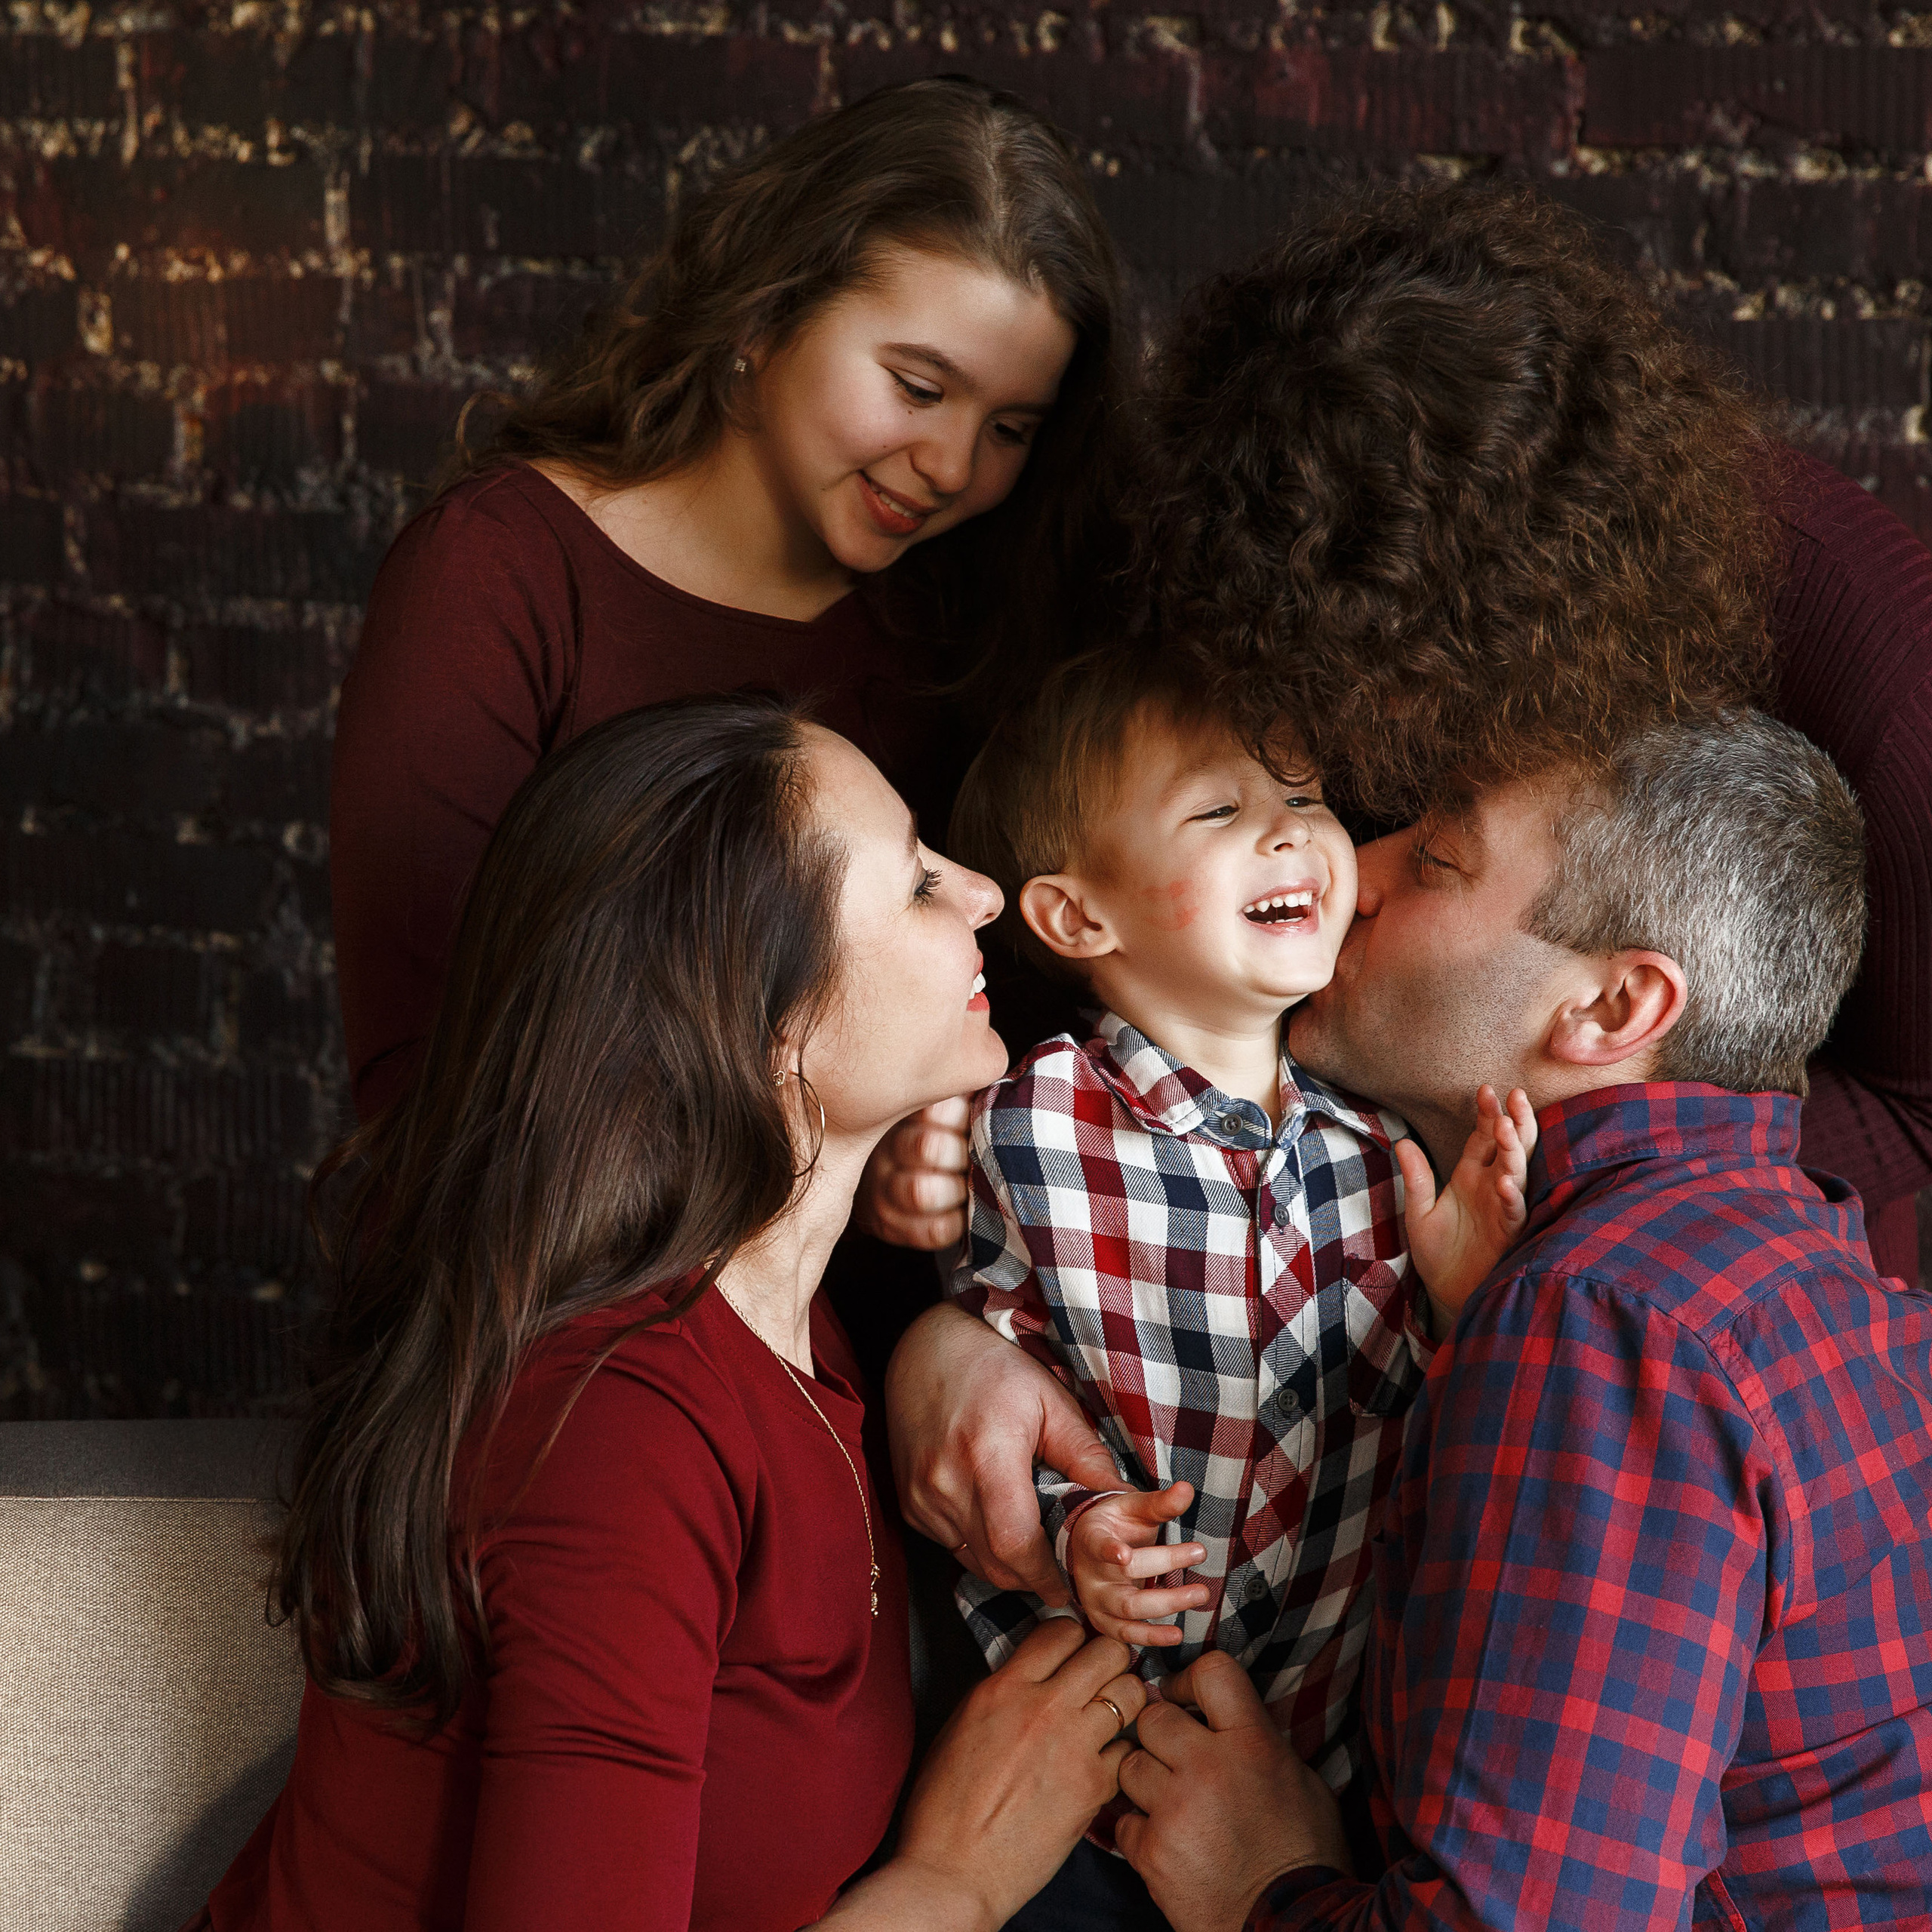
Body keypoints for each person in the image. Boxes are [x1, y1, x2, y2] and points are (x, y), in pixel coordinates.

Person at [880, 176, 1932, 1620]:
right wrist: (962, 1339)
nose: (1340, 852)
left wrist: (1522, 1156)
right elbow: (1135, 941)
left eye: (1417, 810)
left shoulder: (1859, 629)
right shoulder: (1261, 564)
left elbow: (1921, 1115)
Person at [189, 697, 1150, 1932]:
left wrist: (942, 1348)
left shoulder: (785, 1336)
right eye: (915, 882)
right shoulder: (615, 1428)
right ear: (767, 1027)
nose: (982, 894)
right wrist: (955, 1880)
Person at [328, 75, 1129, 1384]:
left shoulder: (978, 619)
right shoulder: (504, 574)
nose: (950, 466)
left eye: (1008, 430)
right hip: (579, 1354)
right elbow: (440, 1074)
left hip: (933, 1366)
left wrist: (949, 1178)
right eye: (917, 386)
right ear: (763, 316)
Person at [1109, 712, 1932, 1932]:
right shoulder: (1826, 1278)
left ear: (1611, 1007)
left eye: (1433, 859)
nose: (1352, 869)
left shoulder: (1604, 1323)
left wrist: (1262, 1887)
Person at [937, 650, 1535, 1926]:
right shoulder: (1027, 1119)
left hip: (1316, 1760)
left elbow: (1396, 1437)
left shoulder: (1384, 1151)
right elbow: (996, 1361)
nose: (1293, 837)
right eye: (1221, 812)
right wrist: (1071, 1525)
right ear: (1075, 918)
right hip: (1083, 1764)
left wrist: (1454, 1305)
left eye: (1309, 798)